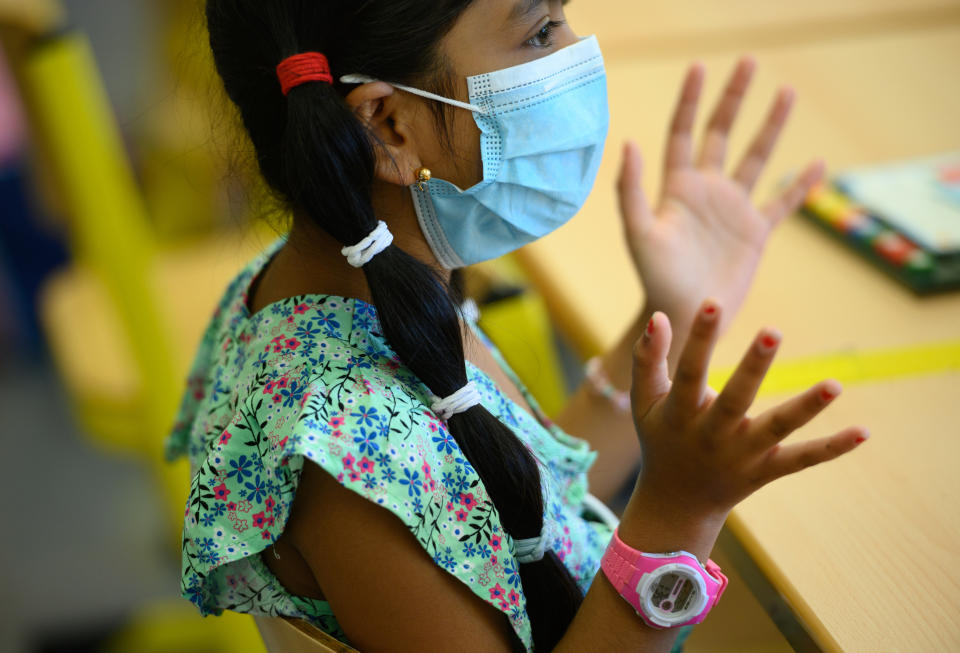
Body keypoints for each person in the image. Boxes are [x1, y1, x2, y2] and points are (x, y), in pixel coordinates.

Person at [166, 1, 869, 651]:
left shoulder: (344, 291)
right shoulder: (347, 455)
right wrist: (676, 518)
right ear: (388, 127)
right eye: (539, 31)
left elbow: (504, 507)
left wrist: (673, 317)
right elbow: (427, 480)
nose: (577, 52)